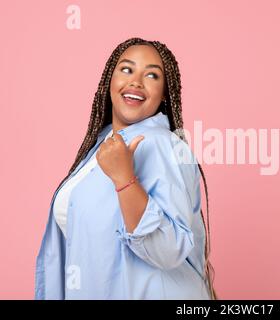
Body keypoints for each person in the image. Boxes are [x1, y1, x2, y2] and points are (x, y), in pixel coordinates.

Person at [35, 37, 217, 299]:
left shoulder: (162, 145)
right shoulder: (102, 144)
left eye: (152, 75)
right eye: (127, 69)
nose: (136, 81)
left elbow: (169, 249)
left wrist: (125, 179)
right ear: (111, 78)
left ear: (165, 92)